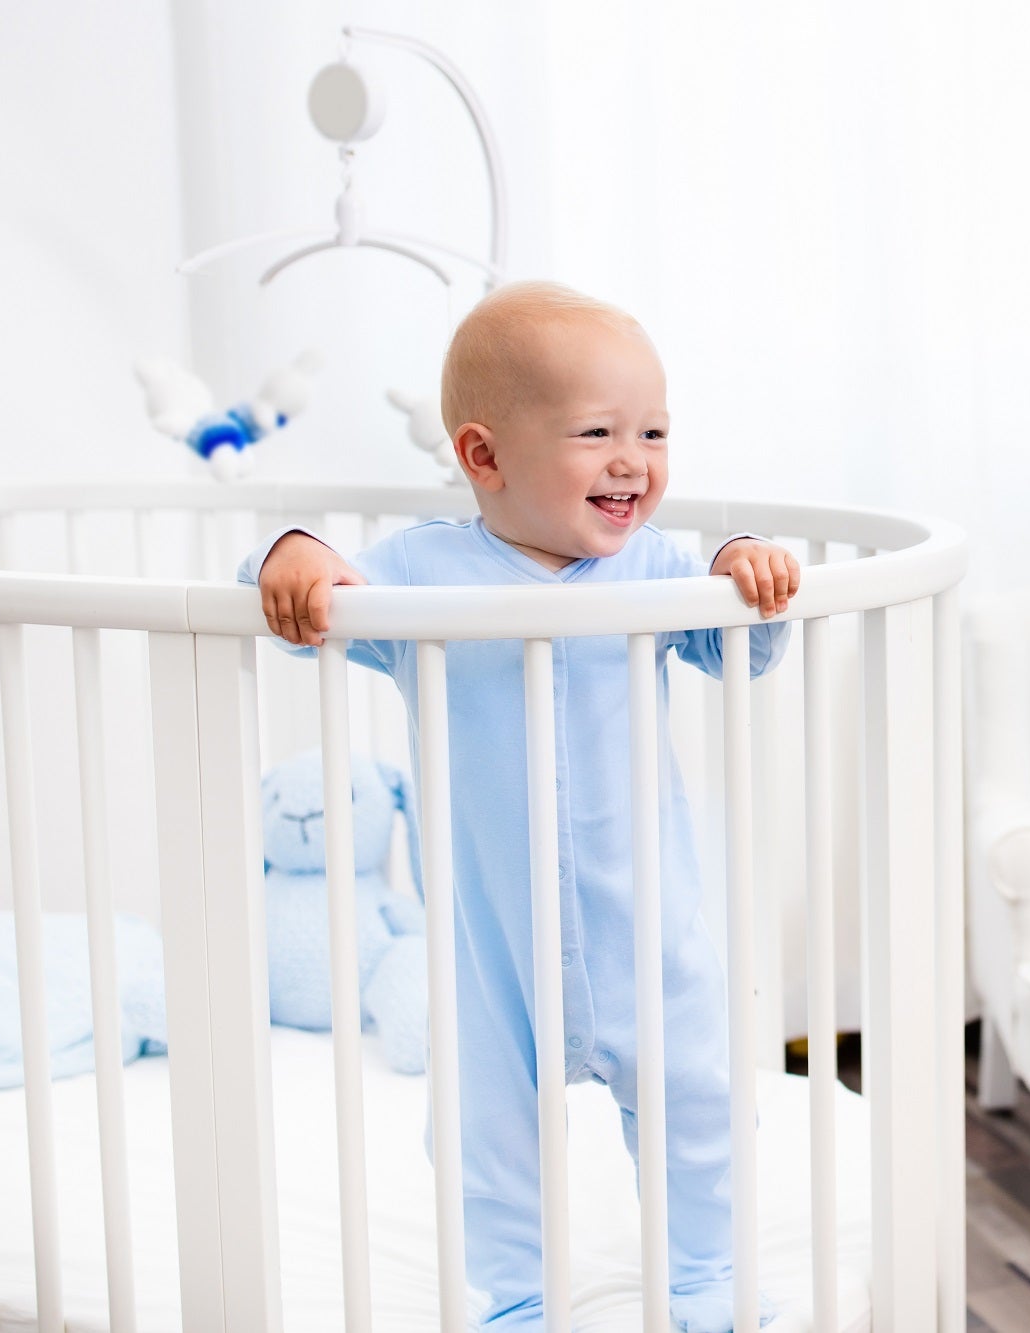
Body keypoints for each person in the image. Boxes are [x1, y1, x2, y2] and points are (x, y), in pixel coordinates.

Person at [242, 280, 799, 1330]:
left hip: (648, 926)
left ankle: (703, 1276)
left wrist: (742, 570)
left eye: (652, 430)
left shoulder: (658, 571)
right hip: (490, 942)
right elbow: (301, 603)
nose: (633, 458)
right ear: (483, 456)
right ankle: (518, 1298)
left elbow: (744, 650)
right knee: (486, 1129)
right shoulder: (419, 575)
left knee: (695, 1101)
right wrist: (293, 553)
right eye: (596, 433)